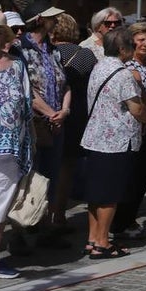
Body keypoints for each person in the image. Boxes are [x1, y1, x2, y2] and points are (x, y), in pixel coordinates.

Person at [80, 27, 146, 260]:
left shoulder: (99, 67)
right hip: (117, 141)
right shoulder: (123, 74)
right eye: (131, 44)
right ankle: (103, 242)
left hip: (94, 137)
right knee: (110, 196)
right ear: (122, 49)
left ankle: (92, 238)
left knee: (96, 194)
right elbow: (136, 107)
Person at [13, 0, 71, 248]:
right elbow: (26, 88)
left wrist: (64, 110)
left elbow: (65, 84)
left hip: (55, 123)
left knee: (51, 177)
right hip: (34, 125)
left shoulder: (52, 49)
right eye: (51, 17)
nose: (56, 21)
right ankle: (20, 233)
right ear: (38, 20)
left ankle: (45, 228)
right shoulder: (20, 50)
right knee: (27, 179)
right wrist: (50, 113)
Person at [0, 10, 33, 279]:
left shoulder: (16, 66)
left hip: (10, 150)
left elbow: (26, 106)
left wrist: (28, 145)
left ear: (2, 36)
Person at [111, 21, 146, 242]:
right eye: (141, 39)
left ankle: (130, 217)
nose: (145, 43)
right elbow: (140, 96)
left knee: (143, 176)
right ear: (132, 41)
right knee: (131, 177)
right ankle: (121, 222)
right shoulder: (130, 65)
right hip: (135, 127)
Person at [50, 13, 97, 234]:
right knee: (66, 168)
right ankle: (58, 216)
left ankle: (35, 218)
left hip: (48, 114)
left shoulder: (47, 53)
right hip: (76, 115)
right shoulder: (86, 55)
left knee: (45, 167)